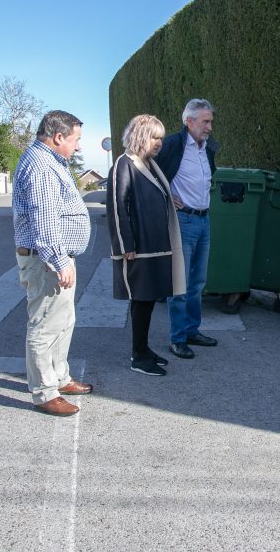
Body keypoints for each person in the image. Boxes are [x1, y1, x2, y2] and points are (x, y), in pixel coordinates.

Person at [13, 110, 93, 416]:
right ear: (58, 137)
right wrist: (59, 261)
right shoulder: (42, 166)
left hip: (53, 257)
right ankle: (45, 391)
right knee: (45, 324)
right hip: (46, 259)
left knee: (62, 320)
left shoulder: (48, 161)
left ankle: (59, 377)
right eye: (76, 139)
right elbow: (44, 220)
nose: (78, 147)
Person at [106, 114, 186, 376]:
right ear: (140, 136)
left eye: (161, 137)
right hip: (139, 247)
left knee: (149, 299)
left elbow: (149, 193)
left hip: (155, 245)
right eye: (154, 137)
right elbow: (118, 206)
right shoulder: (124, 163)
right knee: (141, 300)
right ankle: (138, 356)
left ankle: (143, 348)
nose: (159, 142)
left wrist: (166, 200)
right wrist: (124, 243)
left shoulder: (148, 164)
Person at [155, 98, 219, 359]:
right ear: (189, 121)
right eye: (205, 121)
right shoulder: (173, 144)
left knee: (198, 282)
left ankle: (192, 330)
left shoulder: (208, 149)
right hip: (182, 221)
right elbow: (149, 172)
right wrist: (166, 195)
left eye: (211, 121)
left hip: (204, 220)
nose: (209, 127)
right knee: (179, 283)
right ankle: (177, 338)